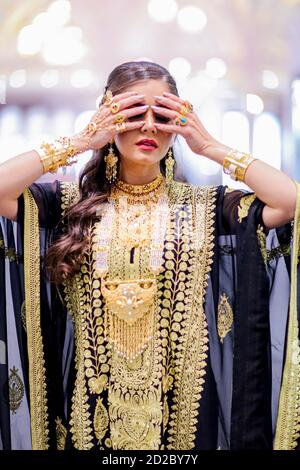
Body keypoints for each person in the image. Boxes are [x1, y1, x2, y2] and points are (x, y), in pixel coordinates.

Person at [0, 60, 299, 451]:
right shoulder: (68, 207)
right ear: (108, 116)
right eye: (133, 113)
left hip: (185, 419)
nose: (149, 127)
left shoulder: (206, 208)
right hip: (91, 416)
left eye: (163, 114)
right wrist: (81, 140)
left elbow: (288, 201)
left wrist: (211, 147)